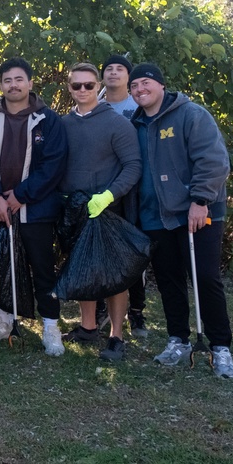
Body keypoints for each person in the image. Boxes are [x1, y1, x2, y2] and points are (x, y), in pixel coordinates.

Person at [129, 63, 233, 378]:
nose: (139, 90)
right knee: (168, 281)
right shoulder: (135, 124)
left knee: (204, 277)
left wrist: (200, 200)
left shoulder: (191, 115)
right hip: (154, 216)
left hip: (197, 212)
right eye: (134, 86)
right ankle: (178, 339)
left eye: (146, 83)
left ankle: (220, 347)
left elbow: (214, 160)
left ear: (161, 85)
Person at [0, 56, 68, 356]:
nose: (13, 85)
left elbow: (53, 166)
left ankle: (51, 327)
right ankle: (3, 320)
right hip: (0, 210)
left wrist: (21, 195)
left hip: (36, 210)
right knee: (0, 266)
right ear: (0, 85)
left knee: (42, 269)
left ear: (30, 82)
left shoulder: (49, 120)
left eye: (18, 79)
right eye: (7, 80)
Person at [58, 62, 141, 362]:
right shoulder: (62, 124)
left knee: (113, 276)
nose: (82, 90)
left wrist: (108, 195)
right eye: (76, 85)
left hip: (107, 210)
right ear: (69, 88)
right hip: (75, 210)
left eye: (89, 85)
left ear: (98, 87)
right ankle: (87, 326)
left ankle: (116, 335)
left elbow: (133, 166)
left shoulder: (117, 124)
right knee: (82, 266)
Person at [98, 54, 149, 339]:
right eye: (108, 68)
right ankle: (106, 308)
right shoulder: (94, 104)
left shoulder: (138, 107)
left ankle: (137, 311)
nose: (114, 73)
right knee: (106, 254)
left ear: (128, 77)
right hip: (103, 194)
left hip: (134, 191)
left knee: (134, 252)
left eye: (120, 69)